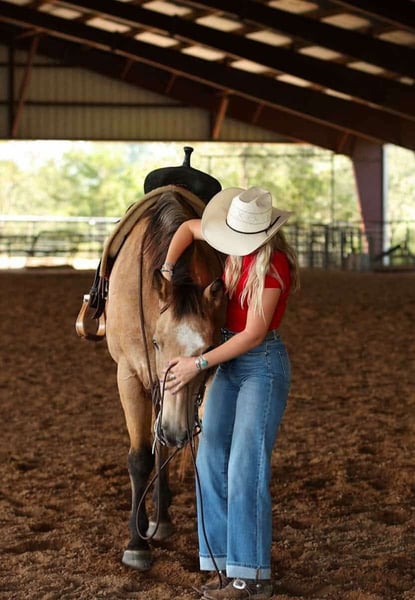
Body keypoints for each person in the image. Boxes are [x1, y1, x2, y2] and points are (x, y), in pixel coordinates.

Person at [161, 186, 299, 599]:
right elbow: (187, 228)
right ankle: (222, 564)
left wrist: (198, 363)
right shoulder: (232, 243)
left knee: (244, 466)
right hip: (228, 362)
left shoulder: (272, 266)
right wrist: (167, 268)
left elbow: (253, 334)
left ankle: (251, 576)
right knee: (209, 458)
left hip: (260, 365)